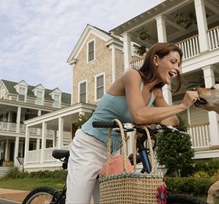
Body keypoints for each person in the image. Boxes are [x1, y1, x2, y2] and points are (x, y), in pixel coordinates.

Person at [66, 42, 199, 204]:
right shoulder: (133, 76)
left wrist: (167, 113)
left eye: (179, 64)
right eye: (173, 62)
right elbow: (139, 115)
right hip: (88, 146)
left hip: (112, 151)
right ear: (156, 60)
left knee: (112, 201)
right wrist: (181, 106)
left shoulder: (155, 92)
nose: (177, 68)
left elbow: (172, 120)